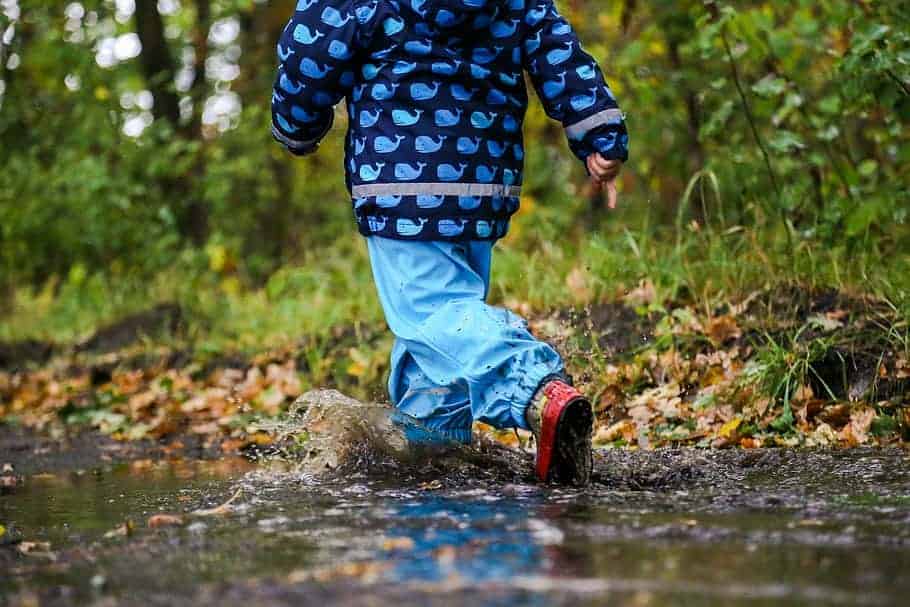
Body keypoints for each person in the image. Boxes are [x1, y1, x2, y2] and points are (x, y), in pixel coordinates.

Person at [271, 0, 628, 486]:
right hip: (483, 182)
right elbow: (555, 48)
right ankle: (434, 457)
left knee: (431, 313)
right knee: (443, 329)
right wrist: (599, 132)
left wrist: (296, 127)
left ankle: (533, 387)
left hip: (399, 184)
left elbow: (311, 51)